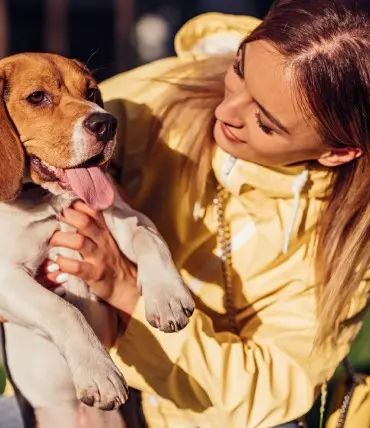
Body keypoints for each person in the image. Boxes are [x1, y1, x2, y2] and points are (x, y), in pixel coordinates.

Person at [1, 1, 370, 427]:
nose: (225, 111)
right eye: (239, 71)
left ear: (337, 151)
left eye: (265, 123)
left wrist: (125, 288)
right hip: (57, 398)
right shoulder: (157, 96)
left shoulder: (344, 240)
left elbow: (267, 396)